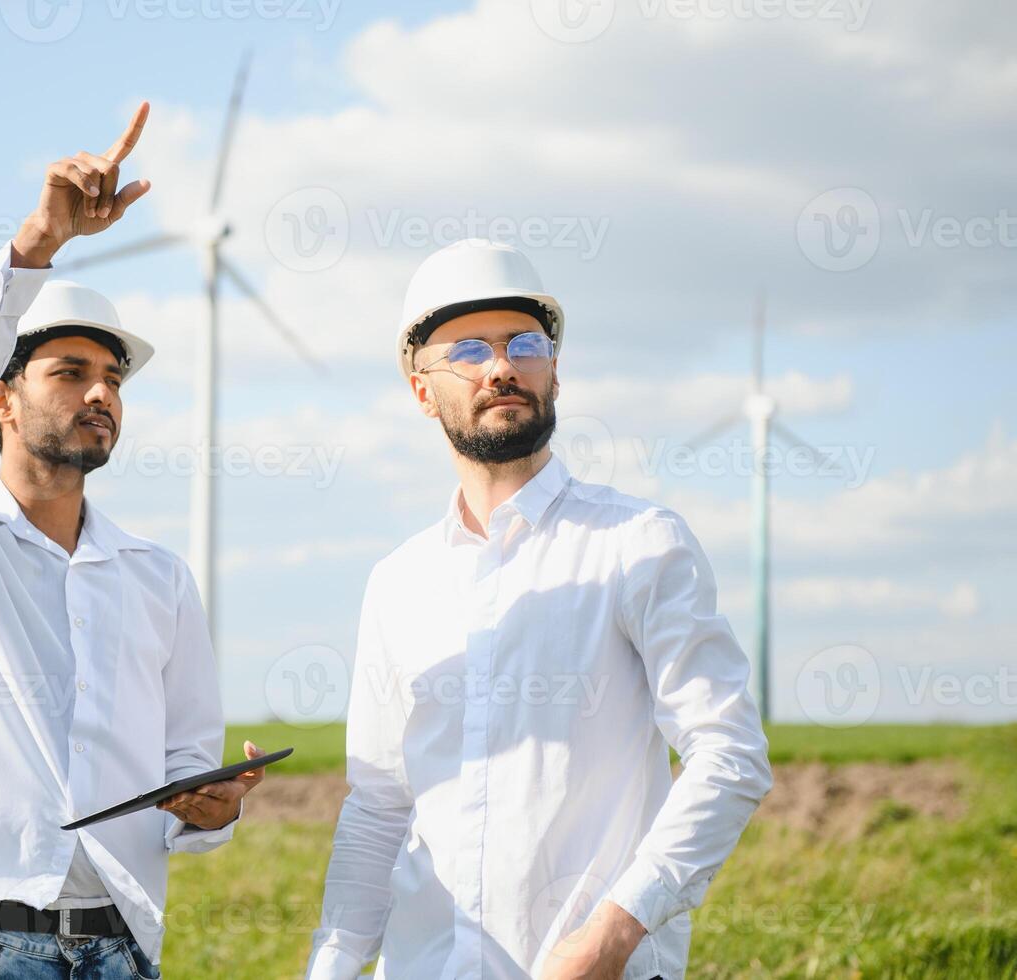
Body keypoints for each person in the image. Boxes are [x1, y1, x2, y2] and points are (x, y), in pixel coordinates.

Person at [0, 101, 266, 980]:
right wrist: (36, 246)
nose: (101, 394)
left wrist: (211, 807)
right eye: (69, 371)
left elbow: (186, 768)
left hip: (118, 947)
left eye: (112, 378)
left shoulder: (158, 577)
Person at [305, 239, 773, 980]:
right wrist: (327, 968)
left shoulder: (637, 544)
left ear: (553, 370)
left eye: (523, 343)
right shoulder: (397, 582)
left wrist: (611, 936)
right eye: (466, 350)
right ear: (422, 390)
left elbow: (729, 756)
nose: (501, 367)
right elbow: (379, 807)